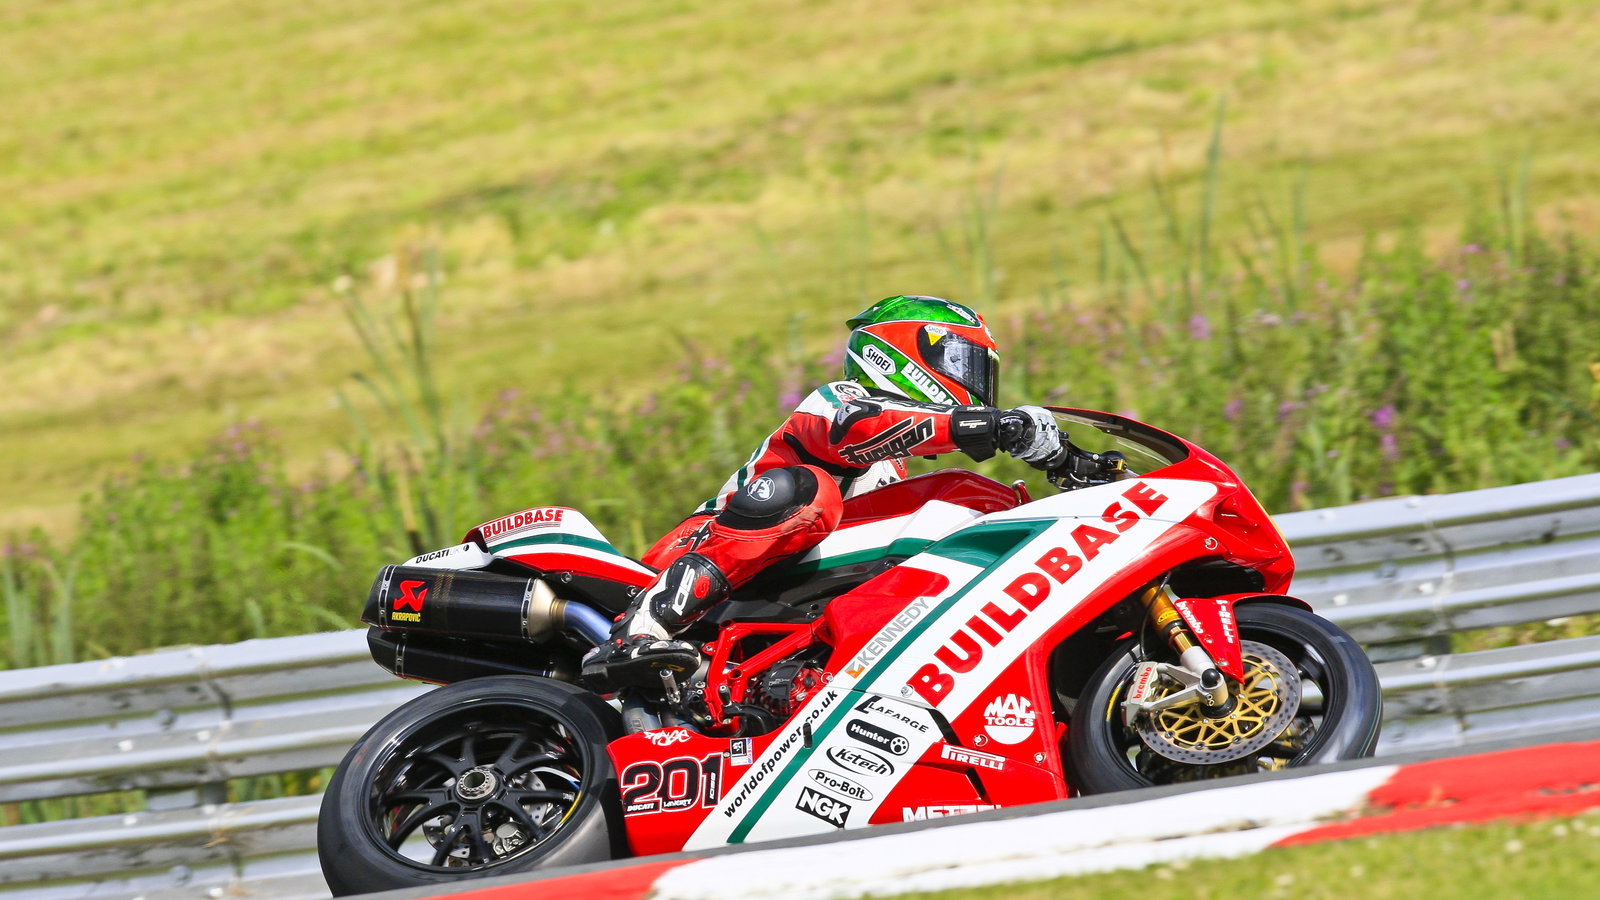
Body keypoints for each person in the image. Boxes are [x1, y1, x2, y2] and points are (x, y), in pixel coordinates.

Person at [580, 295, 1071, 692]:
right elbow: (860, 428)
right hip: (700, 552)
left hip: (782, 594)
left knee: (962, 506)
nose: (976, 382)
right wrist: (988, 425)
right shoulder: (841, 402)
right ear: (902, 355)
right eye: (963, 362)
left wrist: (1068, 468)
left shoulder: (893, 467)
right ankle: (642, 628)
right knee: (808, 492)